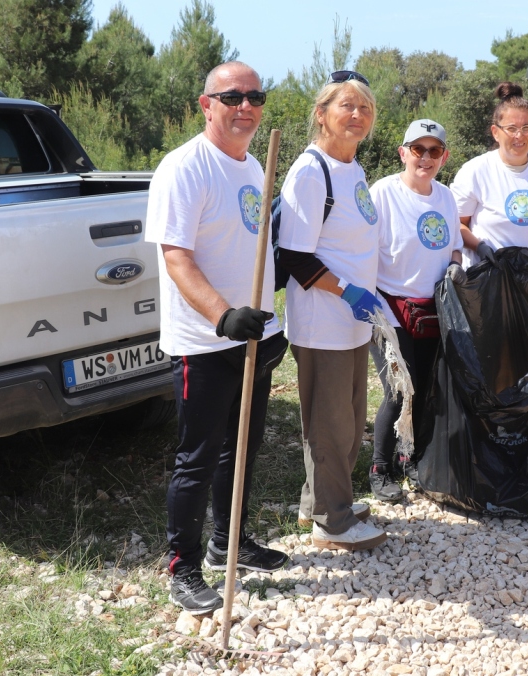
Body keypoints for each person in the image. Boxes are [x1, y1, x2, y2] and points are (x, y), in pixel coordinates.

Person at [146, 61, 289, 615]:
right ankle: (183, 568)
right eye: (232, 97)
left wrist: (267, 325)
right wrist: (223, 316)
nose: (245, 106)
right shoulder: (184, 168)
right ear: (206, 104)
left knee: (243, 450)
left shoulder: (255, 166)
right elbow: (176, 258)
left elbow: (253, 255)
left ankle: (230, 541)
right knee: (198, 458)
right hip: (205, 343)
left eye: (255, 96)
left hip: (252, 338)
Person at [276, 70, 388, 551]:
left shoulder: (355, 170)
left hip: (353, 324)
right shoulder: (310, 171)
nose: (357, 115)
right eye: (347, 105)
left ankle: (317, 501)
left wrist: (370, 295)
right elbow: (297, 257)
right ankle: (333, 521)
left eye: (365, 107)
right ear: (322, 114)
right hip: (323, 322)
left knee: (347, 417)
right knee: (329, 423)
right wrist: (349, 292)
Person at [367, 119, 463, 502]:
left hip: (433, 308)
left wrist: (456, 265)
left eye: (434, 150)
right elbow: (364, 252)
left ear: (444, 157)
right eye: (417, 150)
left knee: (426, 389)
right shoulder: (383, 194)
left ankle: (412, 459)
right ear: (402, 152)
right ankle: (379, 467)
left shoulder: (445, 197)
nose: (425, 158)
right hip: (389, 306)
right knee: (399, 391)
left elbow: (454, 246)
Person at [451, 82, 528, 267]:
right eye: (511, 128)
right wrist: (479, 247)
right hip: (487, 278)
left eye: (526, 128)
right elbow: (456, 225)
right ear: (496, 132)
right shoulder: (475, 171)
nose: (519, 135)